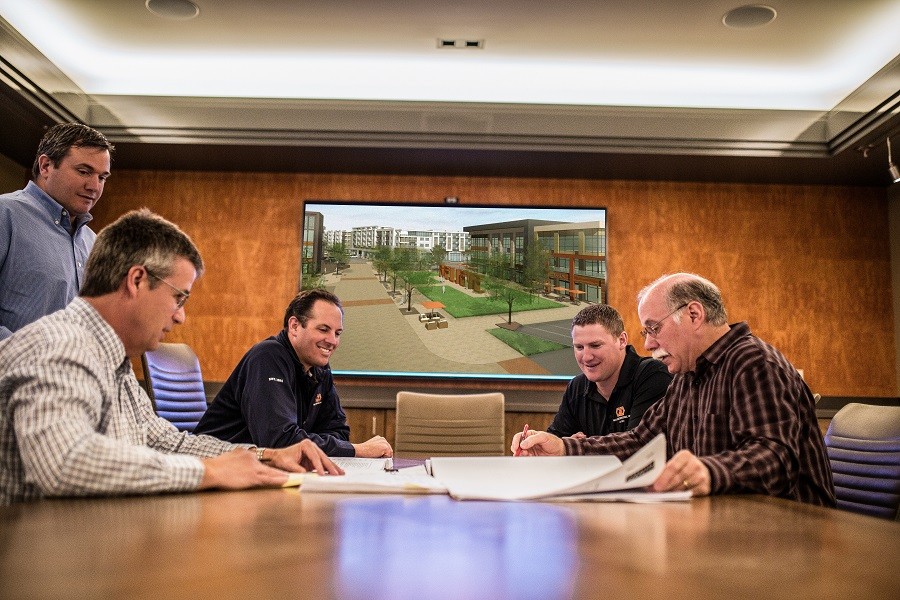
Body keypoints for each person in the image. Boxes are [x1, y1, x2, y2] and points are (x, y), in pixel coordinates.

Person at [0, 209, 341, 505]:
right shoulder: (62, 345)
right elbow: (66, 462)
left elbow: (166, 441)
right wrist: (208, 471)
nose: (181, 317)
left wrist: (264, 455)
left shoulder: (110, 357)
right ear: (137, 280)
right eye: (179, 298)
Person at [514, 273, 835, 507]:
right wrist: (565, 448)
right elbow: (641, 440)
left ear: (694, 314)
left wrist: (710, 470)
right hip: (727, 530)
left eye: (654, 328)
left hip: (790, 538)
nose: (649, 343)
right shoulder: (687, 376)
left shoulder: (753, 362)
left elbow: (776, 459)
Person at [194, 289, 393, 458]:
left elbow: (338, 432)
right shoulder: (267, 358)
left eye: (337, 333)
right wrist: (357, 450)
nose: (332, 341)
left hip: (265, 473)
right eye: (323, 329)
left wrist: (322, 445)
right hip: (215, 472)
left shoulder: (319, 368)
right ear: (295, 326)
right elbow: (280, 441)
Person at [0, 123, 115, 340]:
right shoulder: (5, 214)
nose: (94, 186)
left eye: (102, 177)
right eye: (84, 171)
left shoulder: (94, 243)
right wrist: (27, 355)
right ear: (46, 166)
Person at [548, 304, 671, 438]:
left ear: (622, 340)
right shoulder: (576, 387)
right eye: (579, 347)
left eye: (595, 345)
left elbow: (637, 446)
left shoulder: (653, 375)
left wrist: (573, 447)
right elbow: (554, 442)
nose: (587, 357)